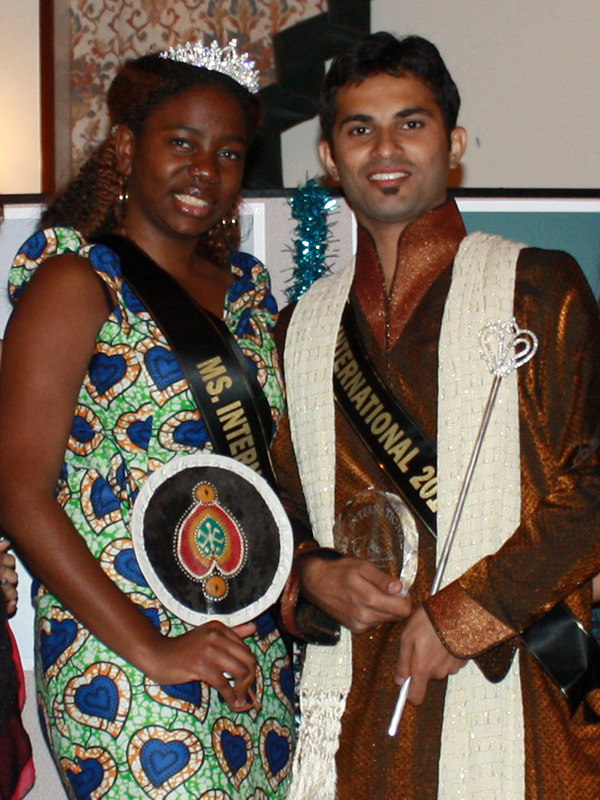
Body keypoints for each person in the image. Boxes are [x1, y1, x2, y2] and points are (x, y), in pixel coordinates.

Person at [273, 32, 600, 800]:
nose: (385, 147)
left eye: (410, 123)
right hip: (358, 698)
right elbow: (283, 505)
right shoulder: (303, 327)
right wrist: (314, 575)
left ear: (451, 145)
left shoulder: (537, 288)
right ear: (329, 156)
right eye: (360, 129)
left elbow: (593, 484)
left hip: (522, 684)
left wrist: (464, 615)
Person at [0, 41, 294, 799]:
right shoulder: (76, 280)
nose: (207, 171)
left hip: (247, 641)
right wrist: (153, 649)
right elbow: (17, 490)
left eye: (229, 152)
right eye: (183, 143)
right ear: (128, 148)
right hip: (122, 647)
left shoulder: (249, 294)